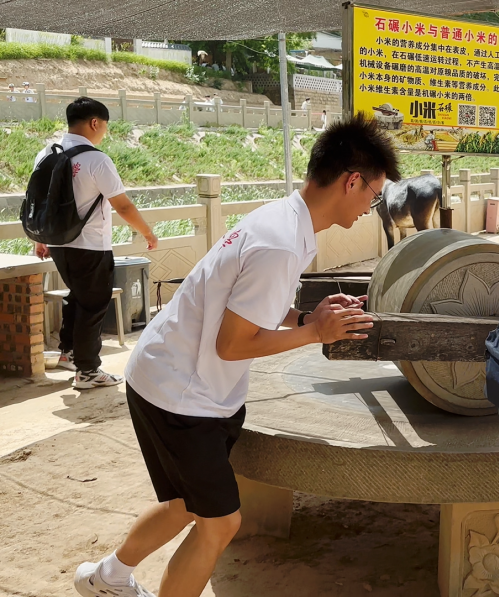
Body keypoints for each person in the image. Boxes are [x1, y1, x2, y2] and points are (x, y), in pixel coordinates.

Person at [72, 113, 399, 597]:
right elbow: (232, 345)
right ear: (352, 181)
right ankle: (112, 578)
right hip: (182, 393)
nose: (371, 207)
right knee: (220, 523)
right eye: (374, 195)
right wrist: (316, 333)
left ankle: (107, 577)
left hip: (167, 373)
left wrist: (303, 318)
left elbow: (249, 303)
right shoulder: (281, 242)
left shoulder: (286, 221)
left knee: (187, 505)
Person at [32, 98, 158, 387]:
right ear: (94, 123)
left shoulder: (46, 154)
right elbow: (123, 206)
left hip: (59, 244)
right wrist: (148, 233)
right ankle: (88, 371)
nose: (104, 132)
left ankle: (68, 352)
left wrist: (39, 239)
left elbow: (39, 202)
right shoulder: (96, 159)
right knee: (94, 304)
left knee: (78, 297)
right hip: (89, 245)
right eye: (105, 126)